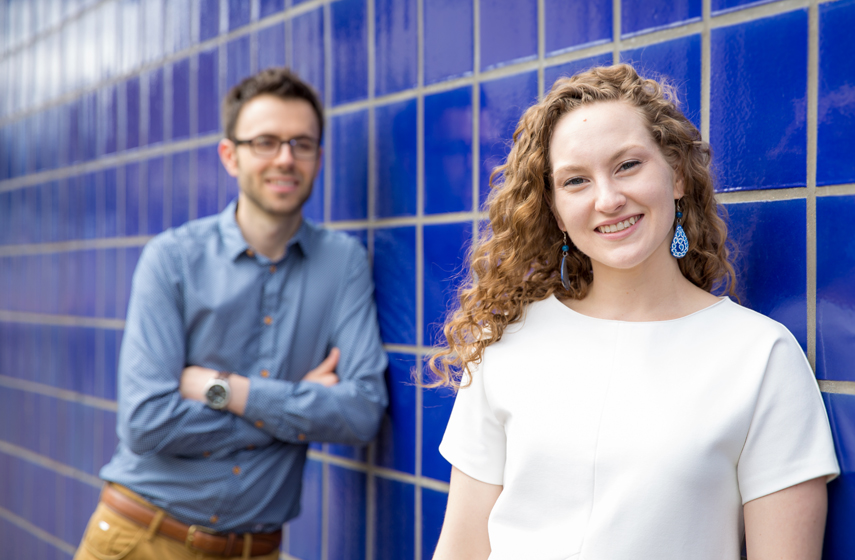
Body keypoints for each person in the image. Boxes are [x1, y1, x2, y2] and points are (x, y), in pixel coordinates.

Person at [429, 64, 839, 560]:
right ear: (556, 211)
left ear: (679, 175)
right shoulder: (508, 344)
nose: (608, 199)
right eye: (576, 180)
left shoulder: (760, 357)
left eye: (627, 165)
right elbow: (461, 548)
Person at [74, 67, 388, 560]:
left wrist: (227, 390)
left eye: (301, 144)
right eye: (265, 141)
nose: (285, 158)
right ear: (230, 155)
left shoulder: (342, 263)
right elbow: (146, 421)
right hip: (142, 539)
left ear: (318, 158)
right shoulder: (172, 259)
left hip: (257, 550)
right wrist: (298, 406)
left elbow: (362, 411)